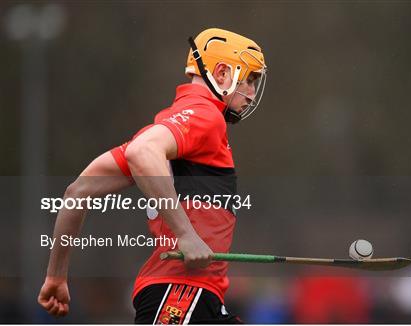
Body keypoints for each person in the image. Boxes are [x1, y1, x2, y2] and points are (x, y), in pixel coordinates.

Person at [37, 28, 267, 324]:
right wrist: (185, 235)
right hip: (181, 293)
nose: (250, 92)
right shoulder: (204, 115)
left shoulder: (171, 128)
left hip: (194, 295)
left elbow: (76, 193)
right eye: (249, 79)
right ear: (222, 73)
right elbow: (141, 153)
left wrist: (56, 275)